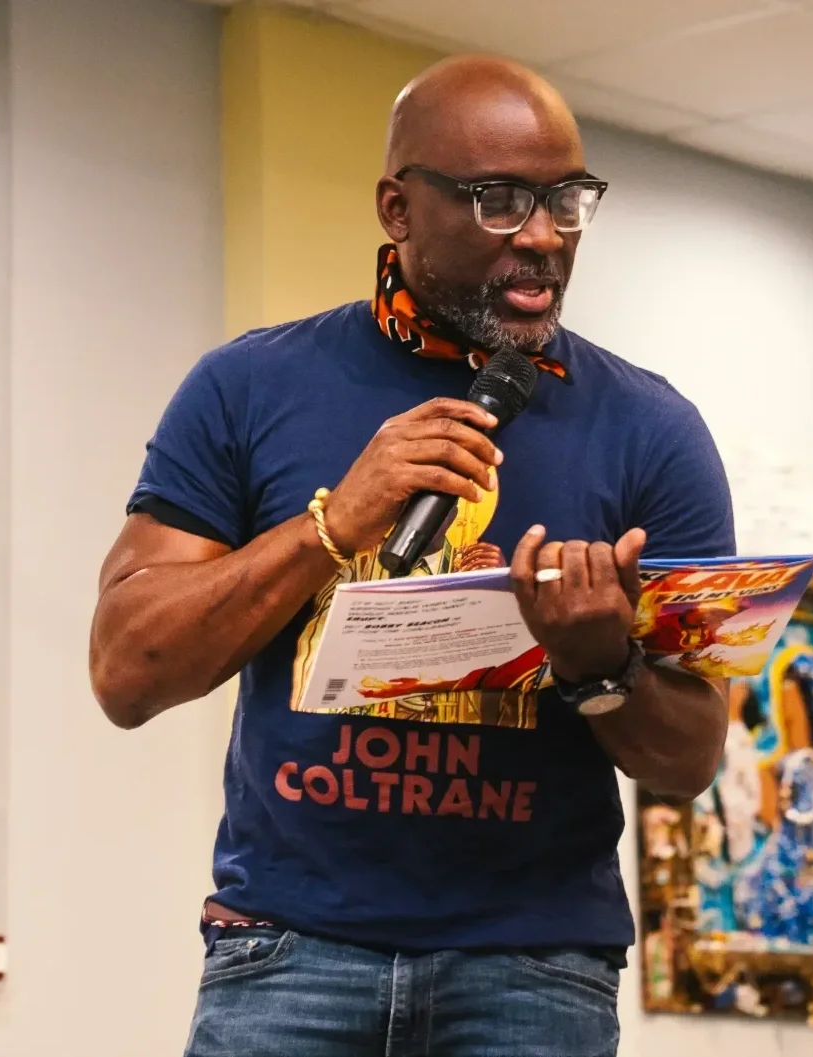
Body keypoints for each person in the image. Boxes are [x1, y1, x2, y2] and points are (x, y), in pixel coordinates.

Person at [89, 53, 735, 1057]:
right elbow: (127, 671)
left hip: (535, 972)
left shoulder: (650, 431)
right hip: (289, 958)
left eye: (566, 199)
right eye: (496, 200)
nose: (541, 237)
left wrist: (601, 667)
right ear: (398, 207)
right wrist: (329, 526)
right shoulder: (249, 387)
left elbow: (689, 761)